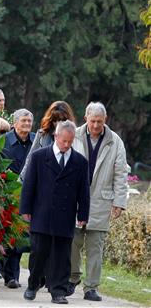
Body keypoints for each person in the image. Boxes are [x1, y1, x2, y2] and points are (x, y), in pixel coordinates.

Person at [20, 120, 90, 305]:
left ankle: (58, 291)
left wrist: (83, 214)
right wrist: (25, 208)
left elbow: (84, 191)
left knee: (62, 255)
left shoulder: (80, 162)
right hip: (41, 212)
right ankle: (33, 284)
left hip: (65, 216)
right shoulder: (39, 156)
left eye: (70, 141)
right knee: (39, 252)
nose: (66, 145)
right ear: (55, 136)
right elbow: (29, 185)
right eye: (63, 141)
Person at [68, 102, 128, 301]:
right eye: (92, 121)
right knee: (72, 242)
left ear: (105, 120)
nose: (95, 125)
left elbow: (121, 174)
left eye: (99, 122)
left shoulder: (115, 141)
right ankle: (72, 277)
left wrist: (119, 202)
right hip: (75, 199)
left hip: (101, 201)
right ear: (86, 118)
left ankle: (91, 287)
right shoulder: (73, 135)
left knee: (96, 246)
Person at [0, 109, 35, 289]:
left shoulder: (37, 141)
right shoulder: (3, 142)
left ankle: (20, 277)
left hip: (30, 196)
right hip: (7, 196)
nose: (27, 124)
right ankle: (7, 275)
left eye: (29, 121)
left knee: (24, 237)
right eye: (23, 121)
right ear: (14, 123)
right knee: (9, 236)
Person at [21, 101, 75, 180]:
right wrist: (22, 180)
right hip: (43, 180)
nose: (58, 123)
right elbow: (30, 158)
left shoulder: (74, 136)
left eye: (62, 120)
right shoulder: (42, 134)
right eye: (55, 120)